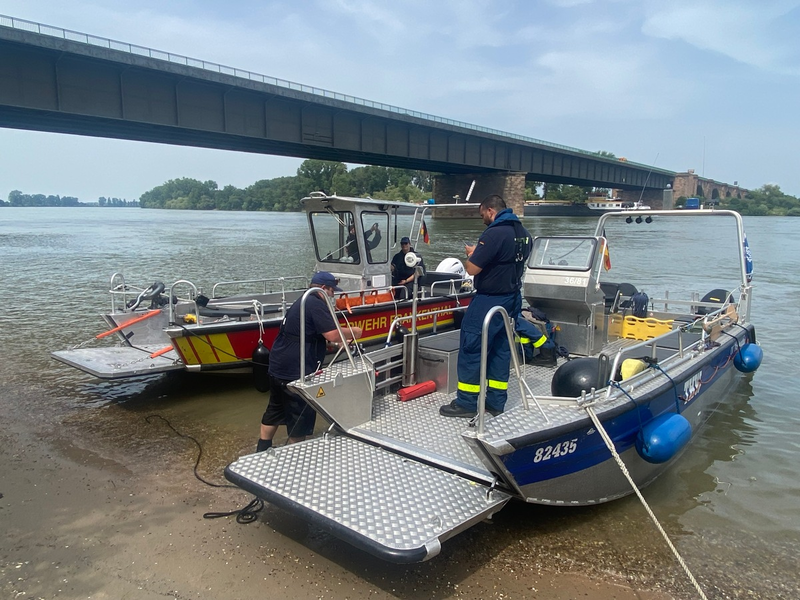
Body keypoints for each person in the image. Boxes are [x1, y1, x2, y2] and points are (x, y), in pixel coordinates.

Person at [440, 195, 532, 418]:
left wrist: (472, 254)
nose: (482, 219)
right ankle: (496, 402)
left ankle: (467, 402)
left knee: (472, 347)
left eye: (482, 215)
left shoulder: (494, 233)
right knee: (501, 349)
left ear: (490, 210)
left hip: (489, 299)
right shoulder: (523, 233)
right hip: (512, 297)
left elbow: (471, 270)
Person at [257, 272, 363, 451]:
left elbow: (310, 332)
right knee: (299, 416)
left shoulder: (302, 301)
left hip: (277, 365)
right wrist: (355, 331)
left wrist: (332, 344)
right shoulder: (315, 303)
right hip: (295, 369)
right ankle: (296, 455)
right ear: (322, 289)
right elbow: (332, 333)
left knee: (274, 410)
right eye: (331, 292)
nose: (332, 296)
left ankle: (262, 448)